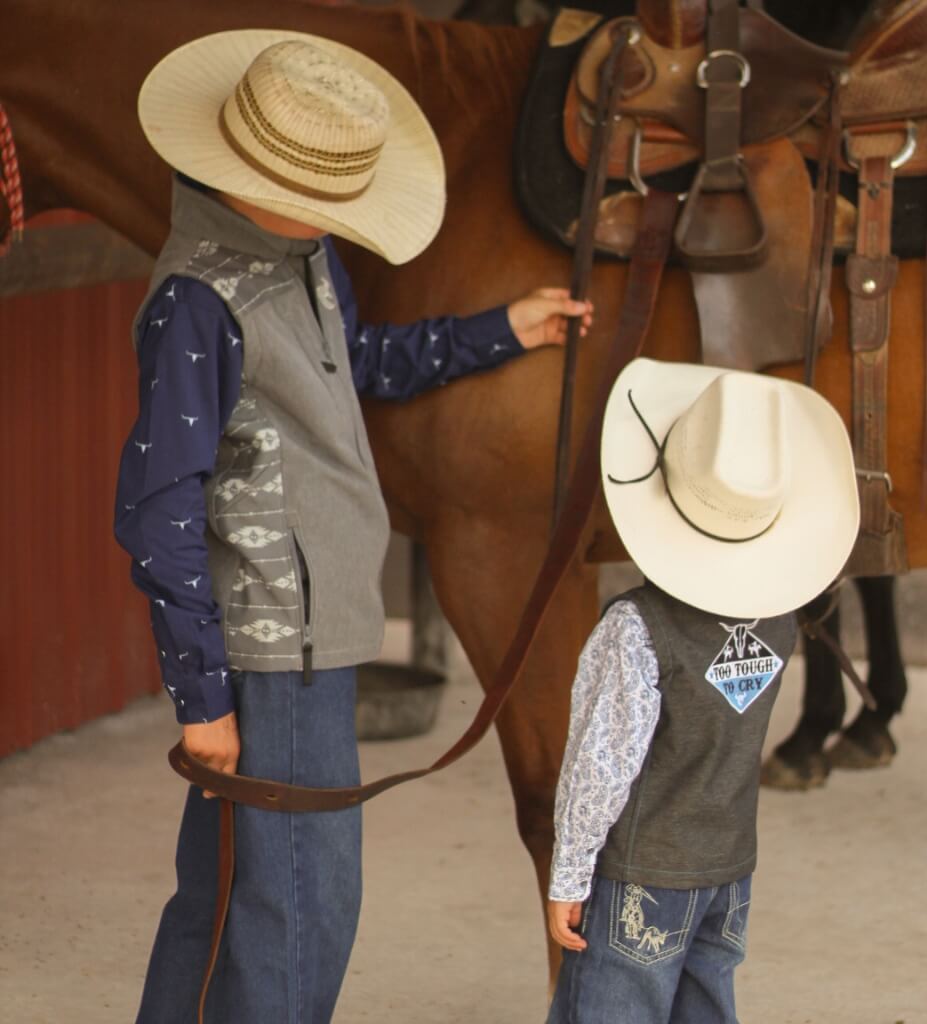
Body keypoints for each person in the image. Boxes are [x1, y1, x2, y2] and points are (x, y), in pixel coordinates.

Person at [114, 30, 592, 1024]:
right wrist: (202, 696)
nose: (338, 219)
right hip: (271, 650)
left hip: (307, 637)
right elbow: (159, 508)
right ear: (253, 175)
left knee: (227, 894)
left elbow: (358, 364)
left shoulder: (300, 258)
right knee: (301, 907)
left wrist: (504, 328)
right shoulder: (197, 301)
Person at [545, 360, 860, 1024]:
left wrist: (569, 876)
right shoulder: (778, 617)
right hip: (729, 871)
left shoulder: (638, 628)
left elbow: (602, 765)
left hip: (643, 873)